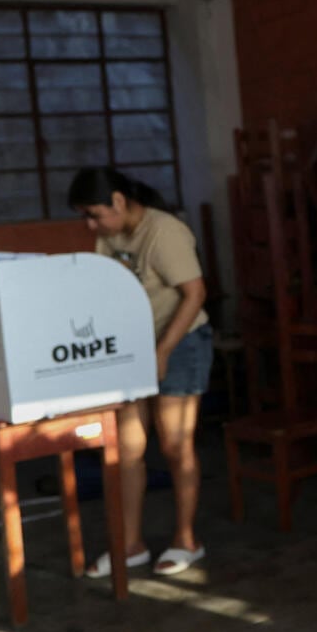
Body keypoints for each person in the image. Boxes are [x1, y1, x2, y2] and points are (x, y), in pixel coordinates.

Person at [69, 167, 211, 577]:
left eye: (94, 214)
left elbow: (195, 294)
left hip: (181, 343)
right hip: (133, 346)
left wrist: (162, 351)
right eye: (86, 216)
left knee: (175, 445)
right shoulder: (109, 235)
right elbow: (105, 291)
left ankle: (187, 540)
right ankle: (130, 544)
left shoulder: (164, 232)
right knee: (127, 449)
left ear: (118, 200)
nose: (91, 225)